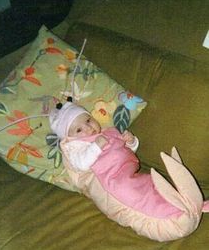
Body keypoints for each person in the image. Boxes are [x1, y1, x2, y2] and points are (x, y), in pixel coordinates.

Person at [49, 98, 209, 242]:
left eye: (88, 120)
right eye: (79, 130)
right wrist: (96, 146)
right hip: (113, 180)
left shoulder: (107, 132)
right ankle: (172, 218)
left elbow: (128, 152)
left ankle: (186, 204)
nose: (88, 128)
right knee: (132, 197)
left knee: (151, 185)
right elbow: (81, 164)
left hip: (131, 173)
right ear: (69, 137)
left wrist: (131, 142)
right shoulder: (75, 147)